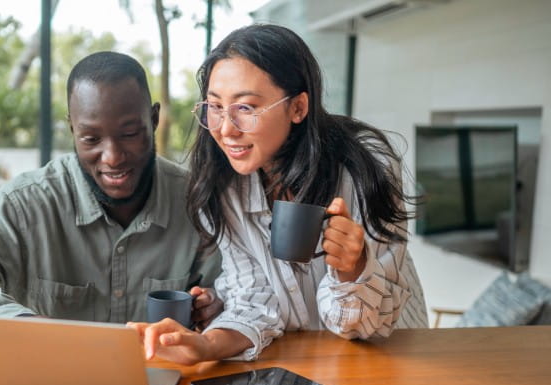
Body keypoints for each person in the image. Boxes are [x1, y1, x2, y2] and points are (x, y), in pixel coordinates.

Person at [128, 24, 428, 364]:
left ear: (298, 108)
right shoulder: (226, 183)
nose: (226, 129)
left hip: (395, 359)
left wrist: (353, 269)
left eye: (245, 108)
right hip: (302, 362)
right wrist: (205, 345)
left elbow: (364, 327)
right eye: (215, 107)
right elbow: (255, 298)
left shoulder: (366, 169)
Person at [0, 52, 221, 325]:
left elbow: (239, 295)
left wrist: (218, 306)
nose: (112, 157)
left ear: (153, 120)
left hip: (164, 382)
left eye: (129, 134)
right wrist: (23, 322)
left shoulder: (196, 200)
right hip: (48, 384)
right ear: (72, 129)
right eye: (91, 139)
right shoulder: (25, 205)